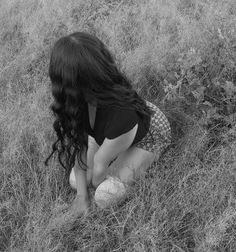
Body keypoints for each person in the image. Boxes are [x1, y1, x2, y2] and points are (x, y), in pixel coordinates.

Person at [44, 31, 172, 216]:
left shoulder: (121, 113)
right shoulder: (75, 102)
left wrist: (94, 188)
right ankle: (115, 151)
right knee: (75, 181)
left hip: (149, 132)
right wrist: (81, 196)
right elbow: (81, 147)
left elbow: (99, 166)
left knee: (105, 195)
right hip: (109, 133)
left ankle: (136, 154)